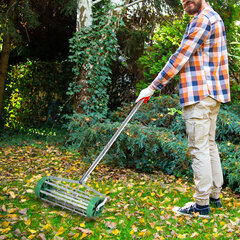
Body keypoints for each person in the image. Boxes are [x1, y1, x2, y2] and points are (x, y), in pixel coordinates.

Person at [136, 0, 230, 218]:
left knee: (198, 148)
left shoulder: (201, 20)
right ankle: (214, 196)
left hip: (199, 95)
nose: (184, 1)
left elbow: (180, 56)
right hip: (212, 94)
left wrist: (152, 87)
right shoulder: (215, 17)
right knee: (208, 144)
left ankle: (201, 205)